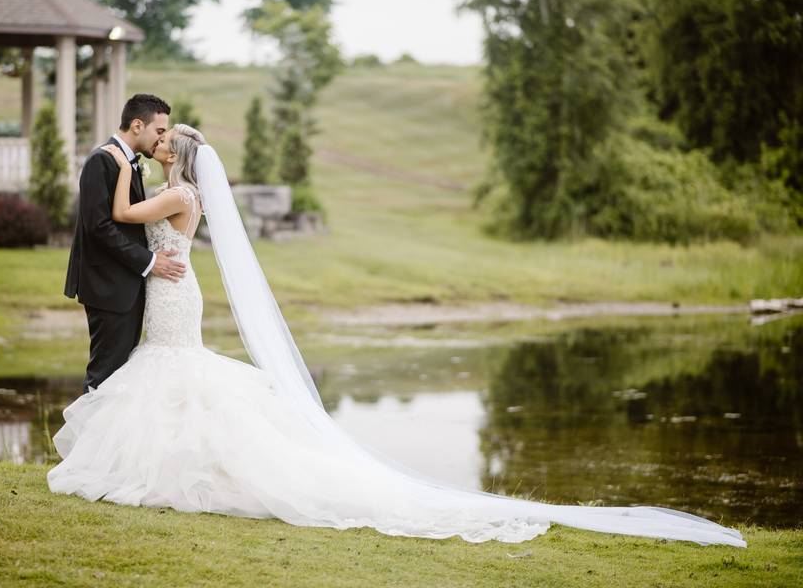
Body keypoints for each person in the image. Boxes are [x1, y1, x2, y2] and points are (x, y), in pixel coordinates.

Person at [48, 125, 745, 548]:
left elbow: (118, 212)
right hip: (171, 285)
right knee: (174, 373)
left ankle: (178, 470)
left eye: (167, 140)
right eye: (158, 135)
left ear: (183, 160)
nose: (161, 141)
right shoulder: (184, 191)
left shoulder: (175, 193)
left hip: (170, 289)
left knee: (175, 372)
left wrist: (120, 162)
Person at [63, 94, 186, 394]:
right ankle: (88, 441)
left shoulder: (129, 163)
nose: (160, 140)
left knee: (119, 380)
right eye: (159, 131)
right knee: (104, 377)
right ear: (136, 125)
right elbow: (99, 227)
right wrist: (150, 261)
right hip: (107, 287)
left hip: (126, 287)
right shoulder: (100, 161)